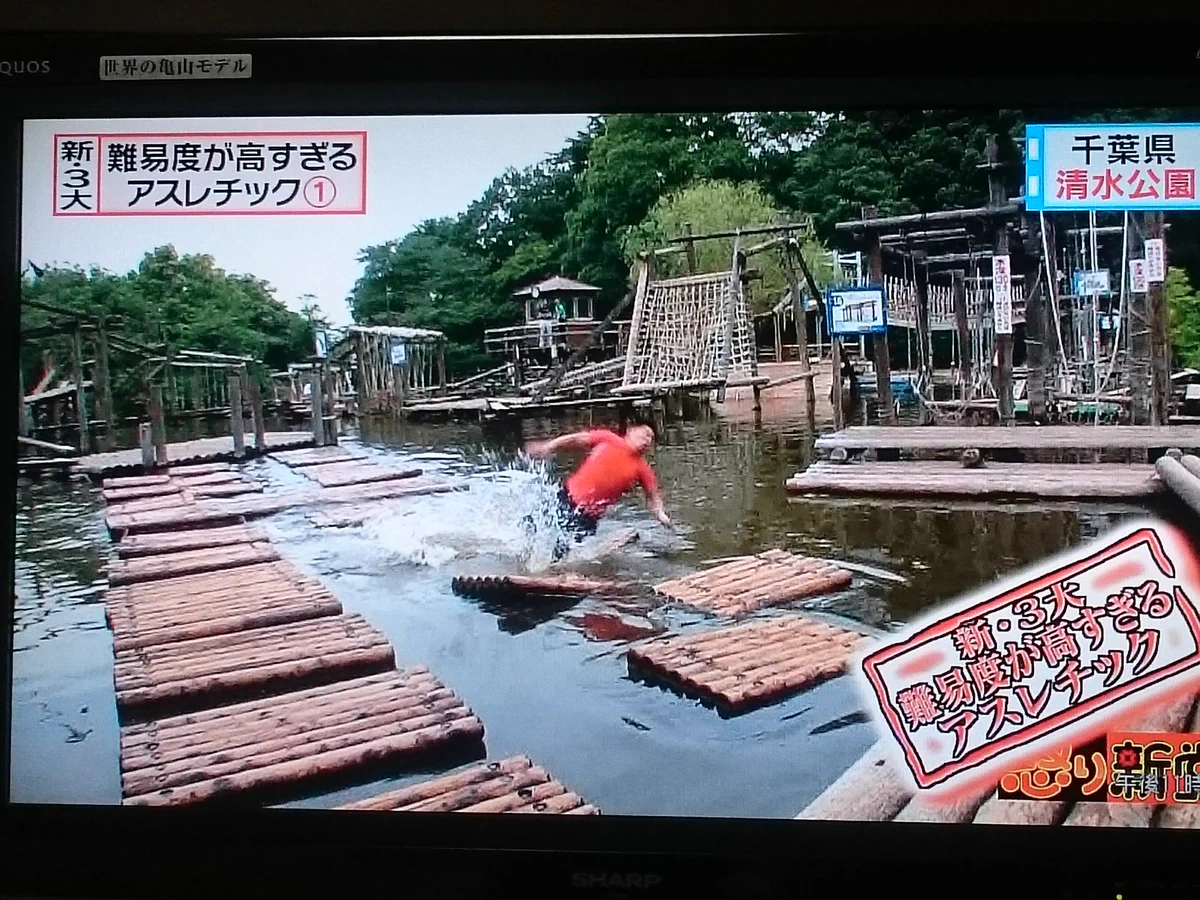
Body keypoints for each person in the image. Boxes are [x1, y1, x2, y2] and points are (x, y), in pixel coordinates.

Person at [524, 420, 671, 559]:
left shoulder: (643, 469)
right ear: (631, 430)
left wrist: (661, 514)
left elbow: (653, 497)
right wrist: (549, 446)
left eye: (651, 438)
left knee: (561, 552)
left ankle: (546, 571)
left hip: (588, 518)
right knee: (532, 527)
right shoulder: (608, 438)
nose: (648, 440)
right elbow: (576, 439)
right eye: (646, 434)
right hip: (566, 497)